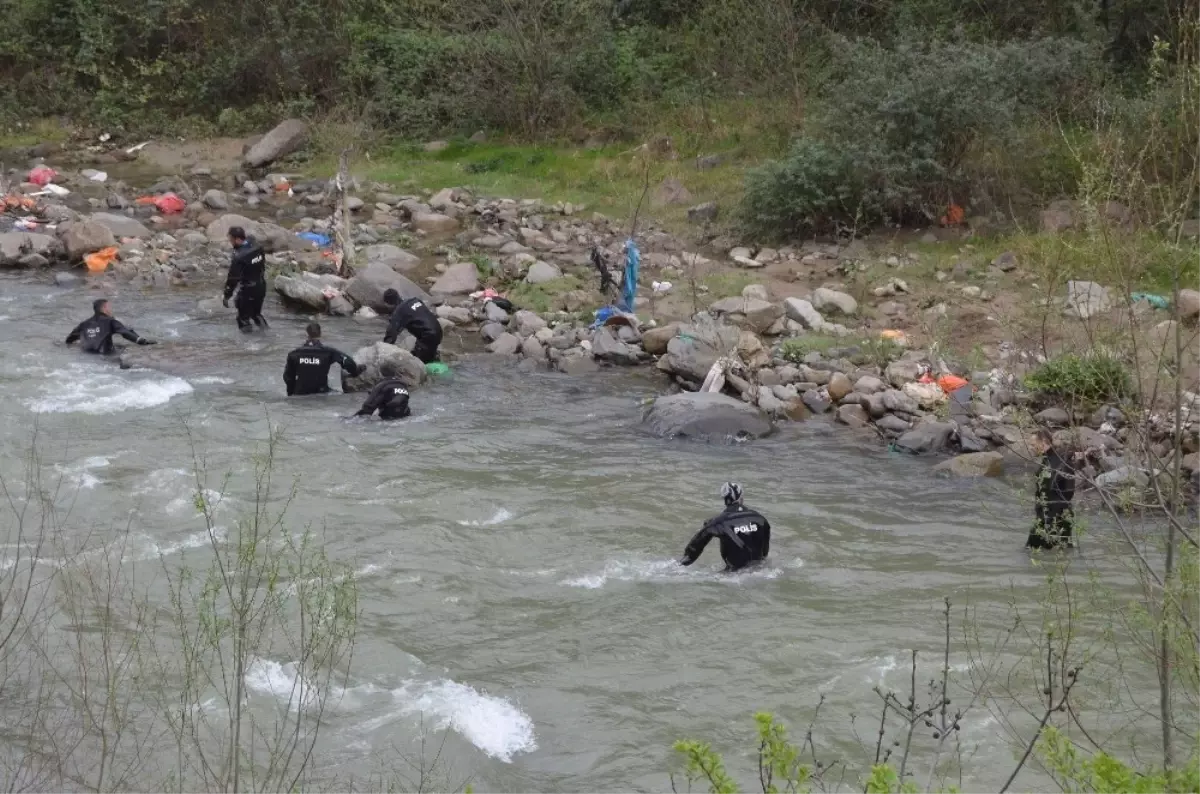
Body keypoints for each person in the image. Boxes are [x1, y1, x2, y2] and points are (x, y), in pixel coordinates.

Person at [679, 482, 771, 572]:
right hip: (760, 571)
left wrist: (682, 564)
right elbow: (764, 553)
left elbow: (696, 545)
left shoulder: (719, 522)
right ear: (741, 498)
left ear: (725, 500)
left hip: (733, 575)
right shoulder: (760, 519)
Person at [1027, 429, 1076, 550]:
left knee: (1031, 551)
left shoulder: (1061, 463)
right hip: (1048, 517)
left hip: (1054, 518)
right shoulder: (1047, 461)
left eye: (1033, 445)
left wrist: (1049, 519)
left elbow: (1068, 492)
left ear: (1043, 442)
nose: (1030, 448)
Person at [283, 323, 361, 396]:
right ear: (320, 334)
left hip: (300, 393)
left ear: (306, 335)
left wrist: (291, 393)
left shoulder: (294, 354)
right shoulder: (328, 352)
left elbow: (288, 377)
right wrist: (355, 372)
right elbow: (348, 362)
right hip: (321, 392)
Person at [65, 299, 156, 354]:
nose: (110, 310)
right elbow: (125, 332)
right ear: (104, 308)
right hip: (105, 357)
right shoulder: (110, 321)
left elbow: (70, 339)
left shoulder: (84, 324)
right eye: (109, 307)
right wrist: (142, 341)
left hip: (86, 355)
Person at [223, 226, 268, 332]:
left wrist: (227, 295)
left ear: (237, 239)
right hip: (261, 286)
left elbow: (233, 278)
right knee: (257, 314)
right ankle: (267, 334)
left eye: (231, 240)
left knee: (243, 319)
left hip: (248, 290)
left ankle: (248, 345)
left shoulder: (239, 256)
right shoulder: (257, 245)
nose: (230, 242)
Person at [382, 288, 442, 364]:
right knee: (418, 354)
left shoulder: (398, 312)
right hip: (438, 330)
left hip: (427, 336)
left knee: (419, 364)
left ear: (389, 303)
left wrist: (383, 350)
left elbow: (391, 335)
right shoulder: (414, 300)